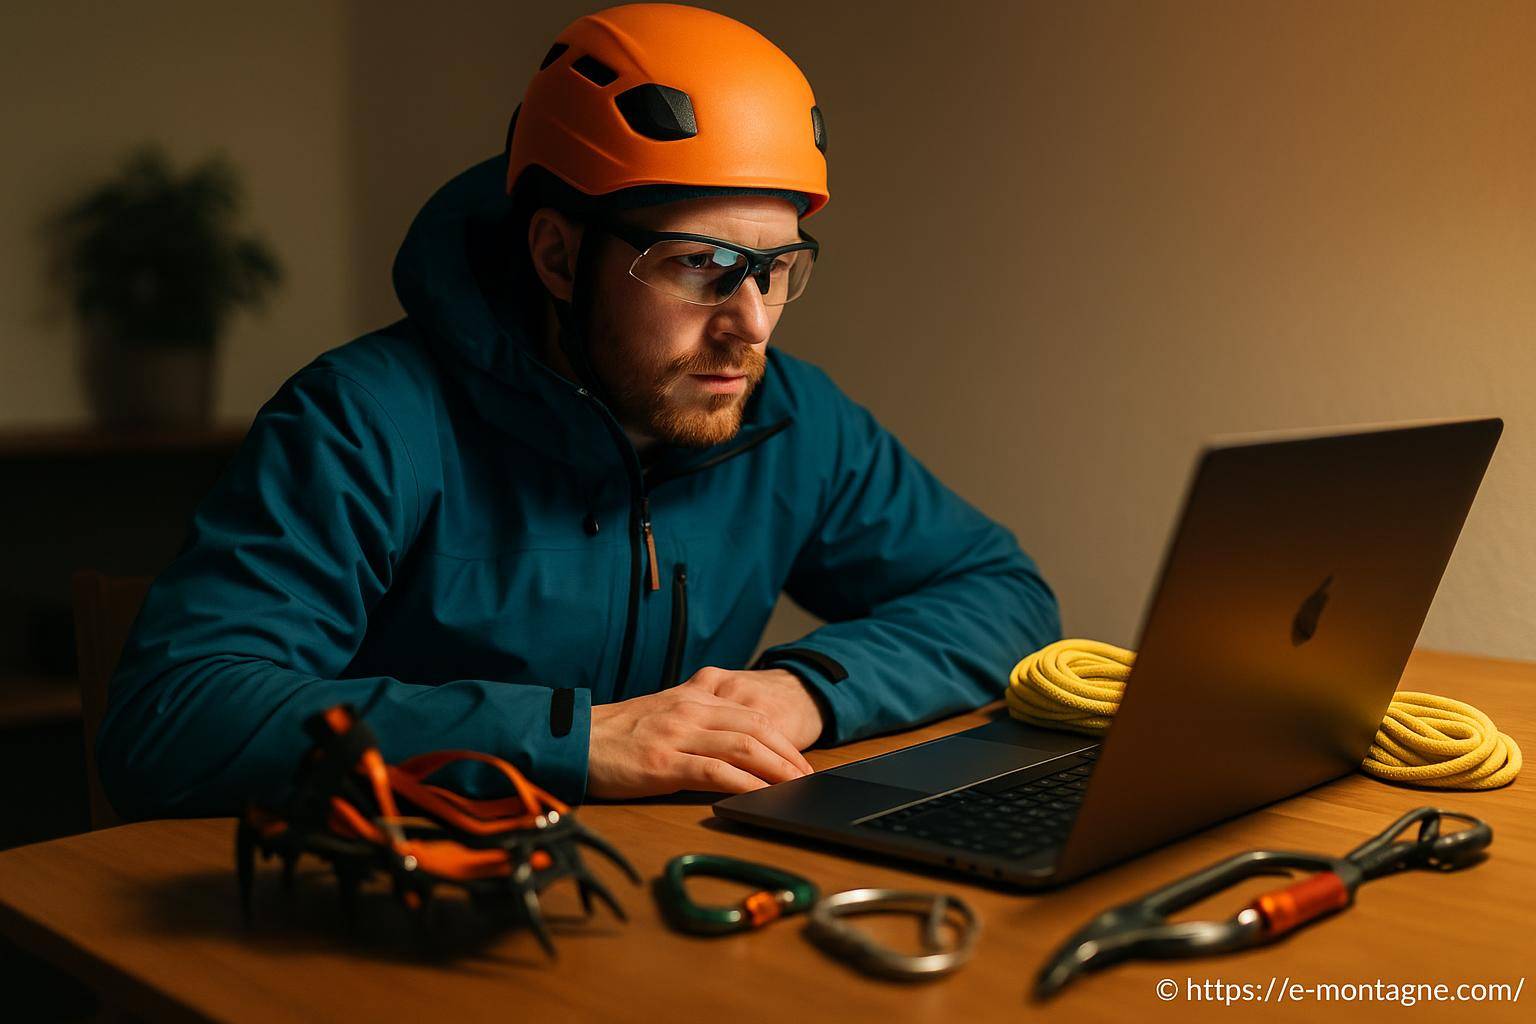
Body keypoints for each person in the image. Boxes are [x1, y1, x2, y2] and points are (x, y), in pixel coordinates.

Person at [96, 3, 1061, 819]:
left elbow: (1004, 596)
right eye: (700, 267)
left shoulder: (791, 417)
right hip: (407, 908)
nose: (751, 328)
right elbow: (176, 714)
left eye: (776, 270)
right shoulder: (364, 421)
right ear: (559, 258)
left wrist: (803, 691)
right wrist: (570, 739)